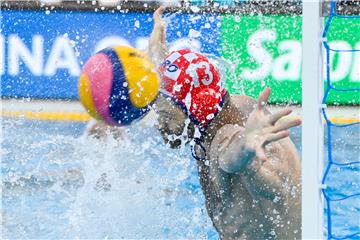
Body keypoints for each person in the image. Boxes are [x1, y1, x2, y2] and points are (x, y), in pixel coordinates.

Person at [148, 7, 301, 239]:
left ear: (194, 111)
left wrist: (248, 149)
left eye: (167, 117)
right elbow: (179, 89)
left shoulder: (225, 138)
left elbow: (241, 162)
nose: (159, 125)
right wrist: (158, 52)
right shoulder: (228, 107)